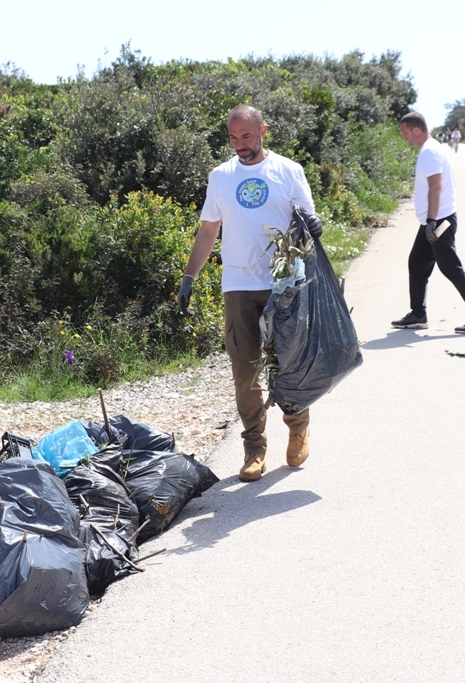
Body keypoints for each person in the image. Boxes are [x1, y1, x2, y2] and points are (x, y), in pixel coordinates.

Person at [178, 104, 322, 482]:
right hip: (238, 284)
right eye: (234, 137)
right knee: (245, 372)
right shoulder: (221, 176)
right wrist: (189, 277)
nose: (240, 144)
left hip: (284, 281)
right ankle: (254, 449)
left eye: (247, 136)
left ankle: (297, 426)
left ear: (263, 131)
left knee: (288, 364)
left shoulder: (289, 171)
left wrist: (315, 226)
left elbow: (307, 223)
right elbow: (208, 230)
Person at [392, 112, 465, 334]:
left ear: (416, 130)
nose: (405, 138)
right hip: (436, 219)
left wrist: (430, 221)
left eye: (406, 133)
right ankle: (418, 314)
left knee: (451, 267)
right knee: (417, 263)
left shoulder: (429, 152)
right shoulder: (435, 147)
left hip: (438, 221)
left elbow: (436, 186)